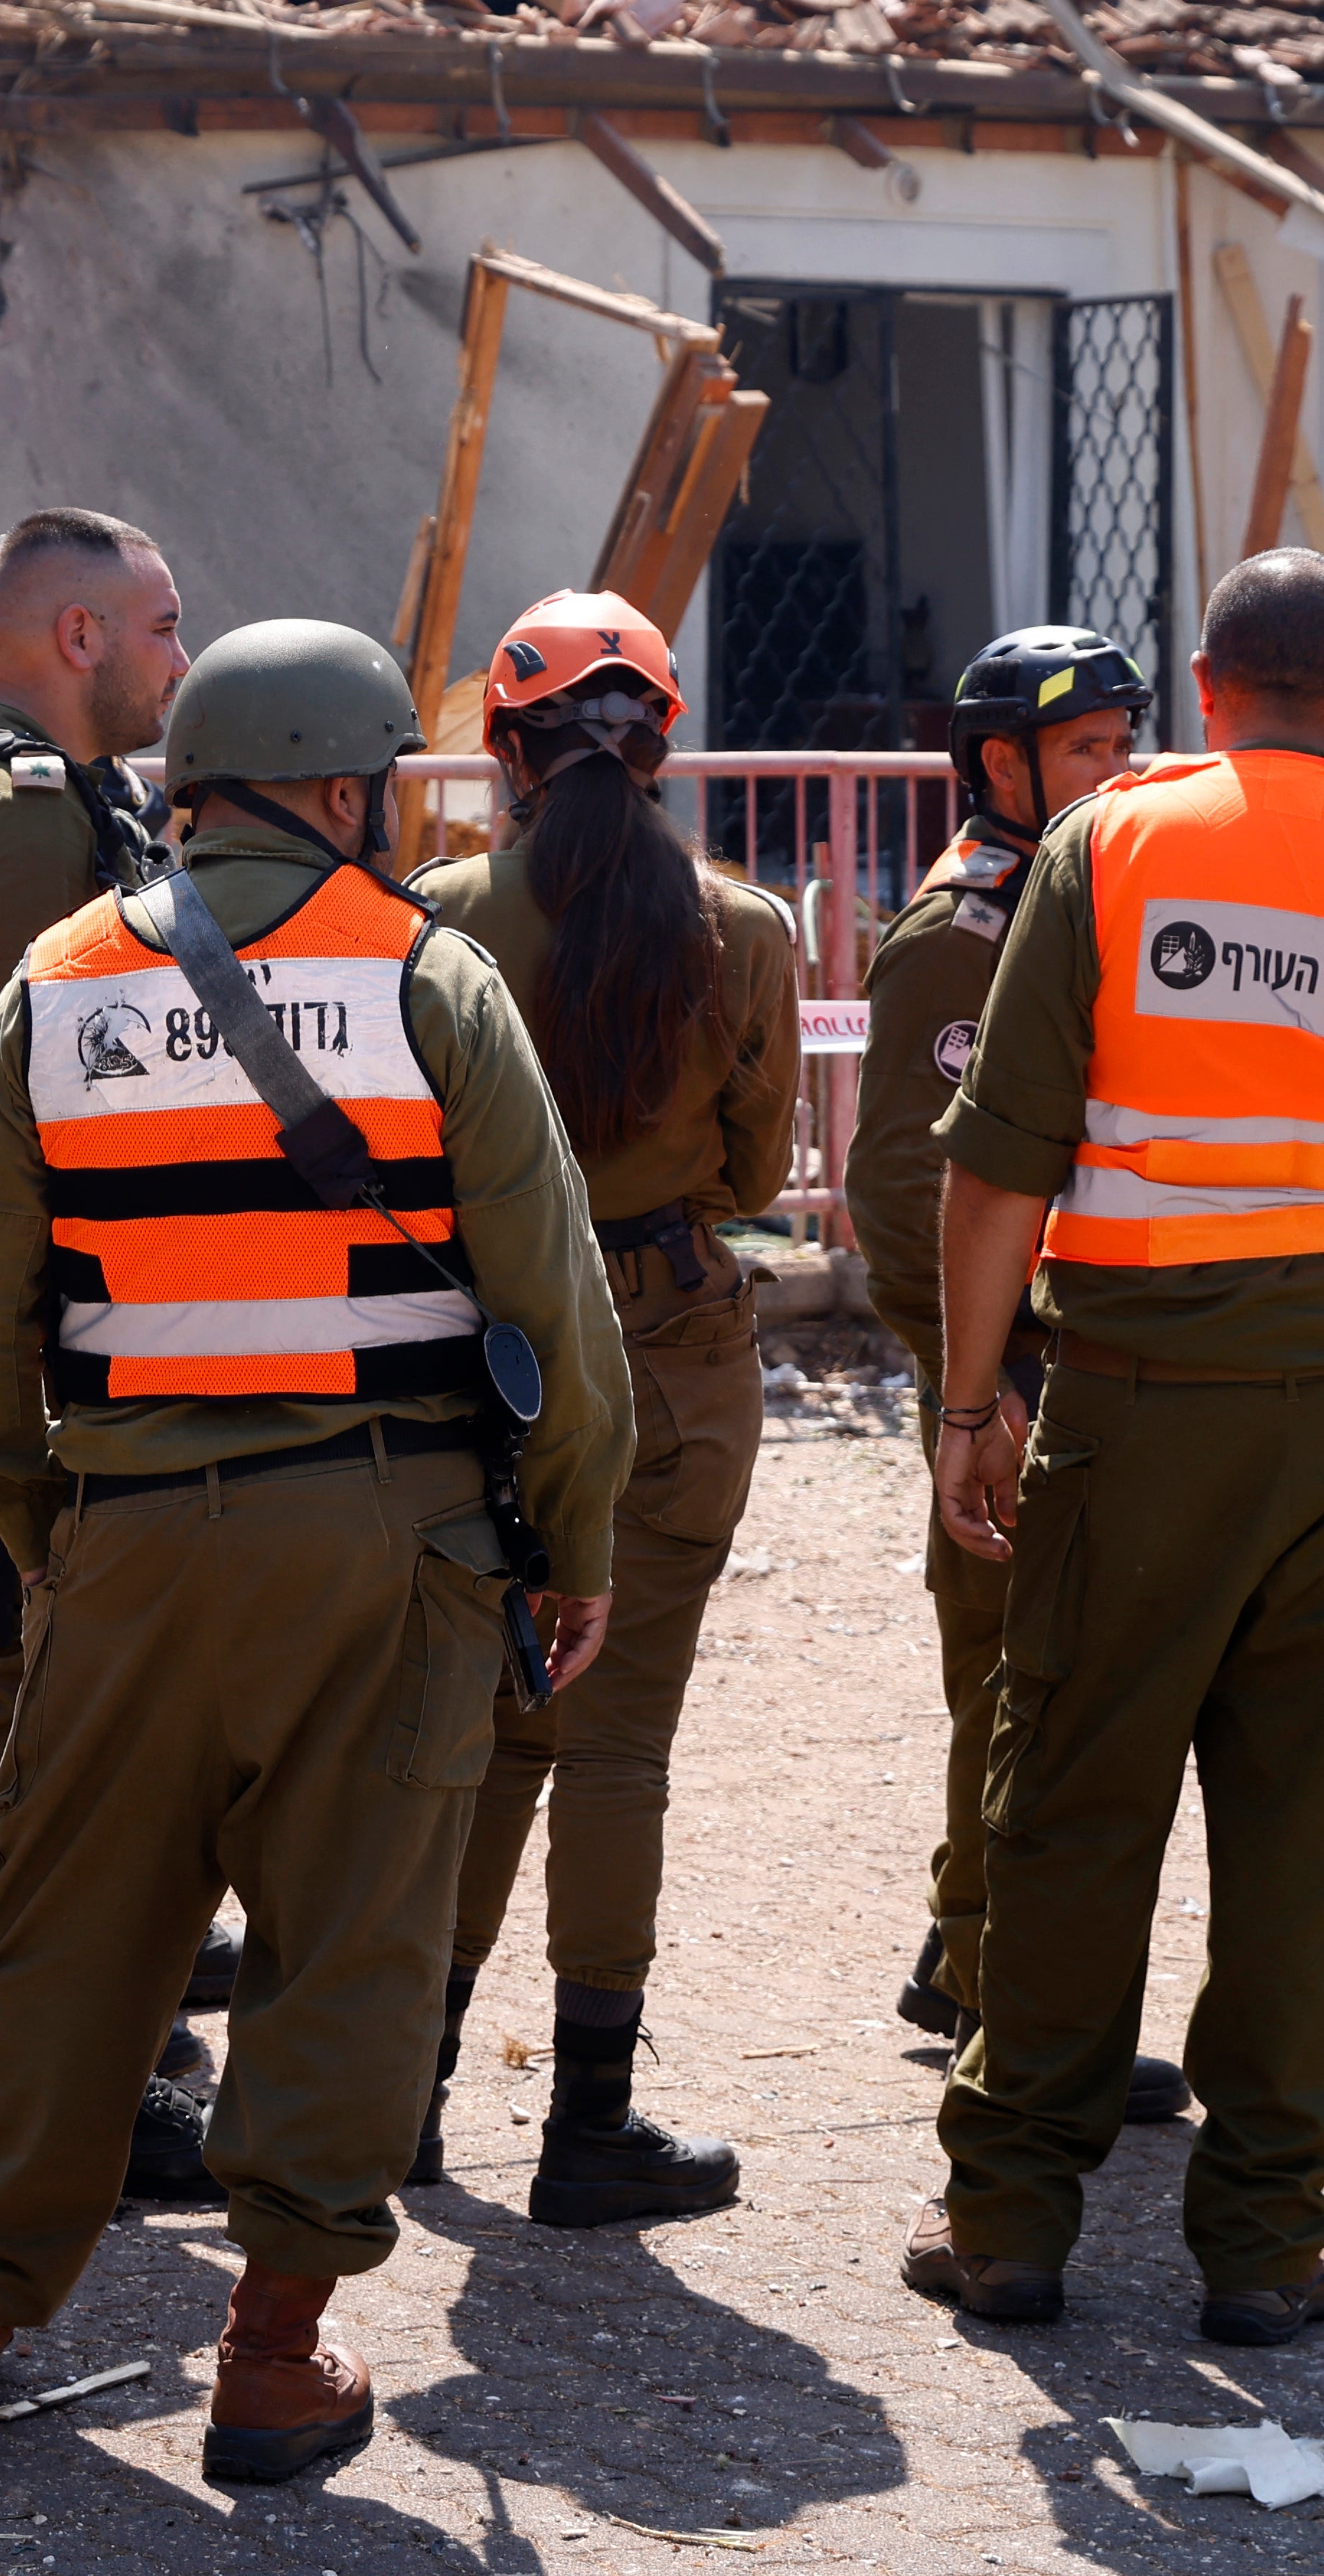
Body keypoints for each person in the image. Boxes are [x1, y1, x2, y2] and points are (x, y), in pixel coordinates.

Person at [0, 618, 631, 2482]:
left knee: (63, 1933)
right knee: (350, 1936)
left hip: (128, 1541)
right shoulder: (429, 977)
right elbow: (560, 1308)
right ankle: (276, 2354)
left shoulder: (57, 988)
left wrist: (50, 1521)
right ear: (340, 785)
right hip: (394, 1538)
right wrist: (571, 1539)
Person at [906, 549, 1324, 2343]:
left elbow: (996, 1168)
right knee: (1307, 1831)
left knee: (1068, 1801)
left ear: (1205, 688)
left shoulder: (1111, 844)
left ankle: (1010, 2221)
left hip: (1133, 1402)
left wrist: (973, 1410)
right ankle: (1268, 2242)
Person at [406, 592, 799, 2226]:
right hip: (679, 1351)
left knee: (493, 1734)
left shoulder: (434, 918)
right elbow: (764, 1175)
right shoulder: (750, 930)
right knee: (618, 1744)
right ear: (662, 749)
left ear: (504, 749)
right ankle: (593, 2118)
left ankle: (405, 2095)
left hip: (487, 1355)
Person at [0, 509, 210, 2203]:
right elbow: (33, 1093)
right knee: (30, 1658)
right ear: (75, 639)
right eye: (159, 623)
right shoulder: (8, 813)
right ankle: (39, 2036)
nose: (178, 656)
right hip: (28, 1301)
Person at [843, 624, 1186, 2130]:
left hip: (1065, 1366)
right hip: (1011, 1384)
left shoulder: (1083, 896)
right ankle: (1006, 2002)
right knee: (1018, 1689)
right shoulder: (961, 934)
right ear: (1003, 764)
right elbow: (910, 1202)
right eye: (1093, 749)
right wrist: (979, 1384)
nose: (1125, 771)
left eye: (1128, 742)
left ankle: (964, 1943)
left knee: (1027, 1680)